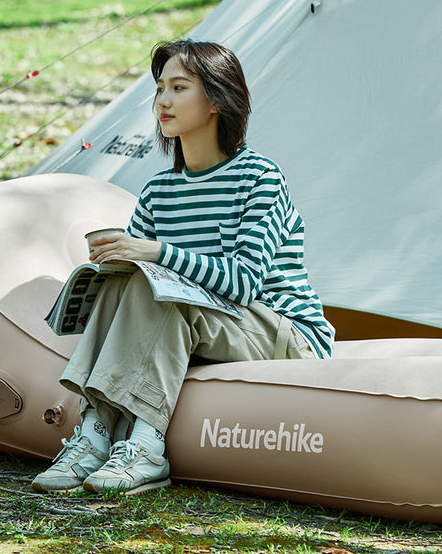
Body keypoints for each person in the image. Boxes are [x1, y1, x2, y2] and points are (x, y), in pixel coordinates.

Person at [32, 38, 334, 496]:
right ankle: (93, 434)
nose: (162, 101)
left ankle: (147, 446)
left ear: (216, 100)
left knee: (161, 287)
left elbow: (243, 282)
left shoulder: (260, 178)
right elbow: (141, 277)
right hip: (207, 322)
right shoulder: (159, 191)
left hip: (283, 330)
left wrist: (157, 251)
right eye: (159, 89)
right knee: (126, 282)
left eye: (179, 87)